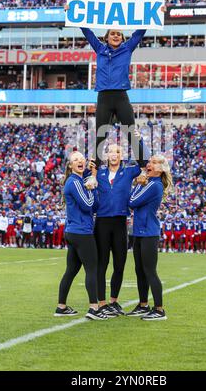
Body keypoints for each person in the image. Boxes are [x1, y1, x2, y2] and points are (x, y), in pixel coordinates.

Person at [64, 3, 165, 166]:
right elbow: (87, 31)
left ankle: (145, 166)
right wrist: (73, 13)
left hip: (121, 97)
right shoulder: (99, 48)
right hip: (104, 97)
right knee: (100, 135)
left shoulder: (127, 48)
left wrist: (156, 12)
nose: (116, 36)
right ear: (107, 37)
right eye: (113, 34)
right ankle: (95, 169)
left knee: (131, 133)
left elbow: (140, 32)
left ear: (123, 38)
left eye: (119, 34)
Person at [87, 133, 148, 317]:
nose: (114, 154)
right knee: (102, 264)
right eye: (110, 151)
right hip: (102, 222)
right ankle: (102, 302)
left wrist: (139, 141)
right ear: (106, 155)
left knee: (119, 264)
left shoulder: (128, 171)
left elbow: (144, 163)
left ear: (121, 155)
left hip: (121, 222)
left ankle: (113, 301)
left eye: (117, 151)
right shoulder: (98, 172)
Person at [55, 151, 108, 320]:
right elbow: (88, 205)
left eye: (81, 159)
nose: (80, 161)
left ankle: (61, 306)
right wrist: (91, 187)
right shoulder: (74, 181)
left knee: (71, 270)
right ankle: (94, 308)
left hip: (74, 231)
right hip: (81, 232)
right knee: (92, 269)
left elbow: (95, 205)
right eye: (75, 160)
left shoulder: (79, 180)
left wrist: (91, 183)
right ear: (70, 166)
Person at [126, 155, 173, 320]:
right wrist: (140, 183)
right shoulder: (149, 183)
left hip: (149, 233)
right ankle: (143, 304)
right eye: (149, 161)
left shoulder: (154, 185)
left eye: (153, 162)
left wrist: (138, 183)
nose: (149, 164)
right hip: (139, 231)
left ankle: (159, 309)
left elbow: (131, 201)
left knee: (150, 271)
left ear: (161, 169)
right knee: (139, 271)